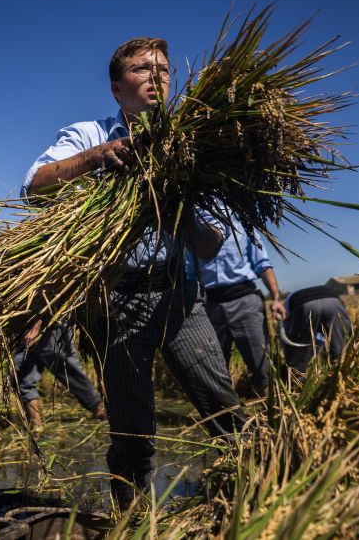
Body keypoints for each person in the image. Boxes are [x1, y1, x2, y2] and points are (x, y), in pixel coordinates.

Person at [23, 37, 244, 509]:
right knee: (132, 431)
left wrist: (170, 209)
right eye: (141, 68)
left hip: (177, 295)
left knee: (223, 407)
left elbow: (210, 242)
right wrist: (97, 157)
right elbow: (34, 186)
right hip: (113, 303)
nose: (156, 76)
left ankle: (243, 505)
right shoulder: (89, 134)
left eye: (163, 68)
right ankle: (133, 521)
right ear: (116, 88)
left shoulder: (195, 146)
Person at [199, 219, 286, 395]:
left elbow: (263, 264)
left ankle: (273, 415)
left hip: (245, 302)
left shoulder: (244, 227)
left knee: (263, 366)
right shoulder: (194, 227)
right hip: (210, 305)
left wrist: (276, 297)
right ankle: (225, 417)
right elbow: (188, 271)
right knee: (214, 369)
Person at [12, 318, 106, 435]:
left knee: (65, 368)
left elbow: (45, 300)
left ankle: (99, 411)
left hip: (51, 321)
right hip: (27, 326)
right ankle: (36, 426)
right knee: (20, 372)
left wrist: (36, 326)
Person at [278, 285, 351, 376]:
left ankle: (297, 380)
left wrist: (290, 354)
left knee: (298, 351)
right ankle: (343, 373)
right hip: (333, 301)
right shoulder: (295, 296)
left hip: (304, 303)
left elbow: (288, 338)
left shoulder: (285, 306)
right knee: (342, 348)